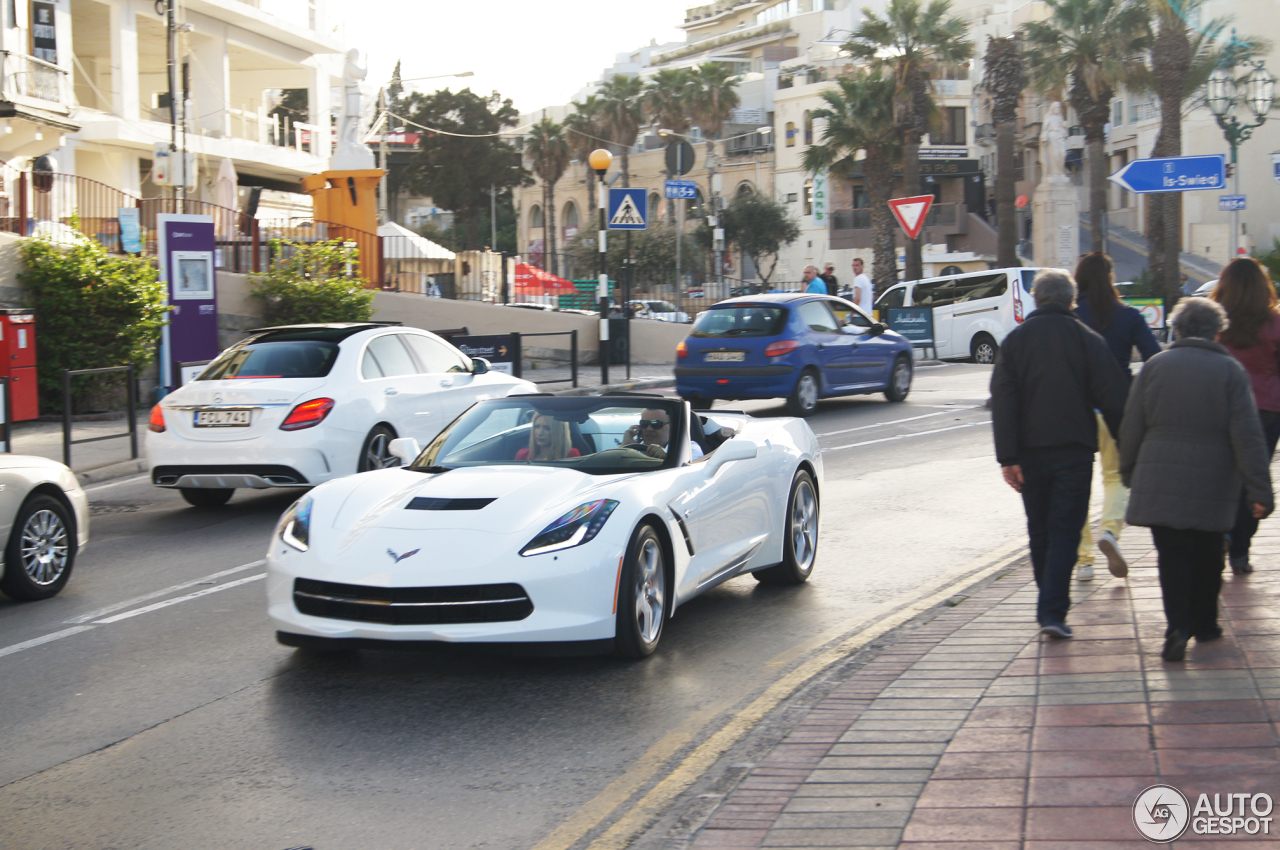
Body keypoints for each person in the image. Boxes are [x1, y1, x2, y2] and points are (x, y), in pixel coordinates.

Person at [1119, 297, 1273, 661]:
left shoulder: (1154, 367)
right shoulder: (1230, 371)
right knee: (1208, 552)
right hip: (1214, 479)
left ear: (1177, 328)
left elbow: (1131, 426)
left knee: (1171, 556)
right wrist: (1259, 489)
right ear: (1217, 331)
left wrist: (1129, 470)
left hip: (1160, 476)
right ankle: (1205, 622)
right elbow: (1247, 435)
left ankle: (1177, 626)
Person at [990, 269, 1129, 639]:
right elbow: (1113, 399)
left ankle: (1048, 603)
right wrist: (1128, 449)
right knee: (1066, 530)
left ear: (1036, 299)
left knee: (1040, 531)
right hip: (1075, 453)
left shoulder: (1015, 342)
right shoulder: (1087, 340)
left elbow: (1003, 402)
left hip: (1030, 455)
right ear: (1072, 301)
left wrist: (1008, 458)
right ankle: (1052, 609)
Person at [1071, 252, 1162, 582]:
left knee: (1078, 484)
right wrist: (1134, 383)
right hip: (1116, 408)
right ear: (1110, 278)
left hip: (1075, 409)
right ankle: (1110, 529)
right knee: (1117, 476)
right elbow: (1155, 358)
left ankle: (1083, 560)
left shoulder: (1070, 316)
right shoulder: (1129, 316)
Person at [1210, 257, 1280, 574]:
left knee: (1222, 475)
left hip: (1221, 408)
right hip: (1266, 409)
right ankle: (1240, 549)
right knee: (1254, 479)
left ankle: (1219, 532)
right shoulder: (1274, 322)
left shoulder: (1215, 322)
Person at [621, 407, 702, 460]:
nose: (649, 429)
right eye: (644, 423)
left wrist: (666, 457)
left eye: (656, 424)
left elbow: (689, 474)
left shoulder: (688, 448)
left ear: (672, 426)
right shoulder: (633, 450)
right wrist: (624, 448)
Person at [515, 414, 581, 461]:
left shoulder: (571, 455)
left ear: (558, 432)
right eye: (537, 427)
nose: (540, 433)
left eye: (547, 428)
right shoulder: (522, 455)